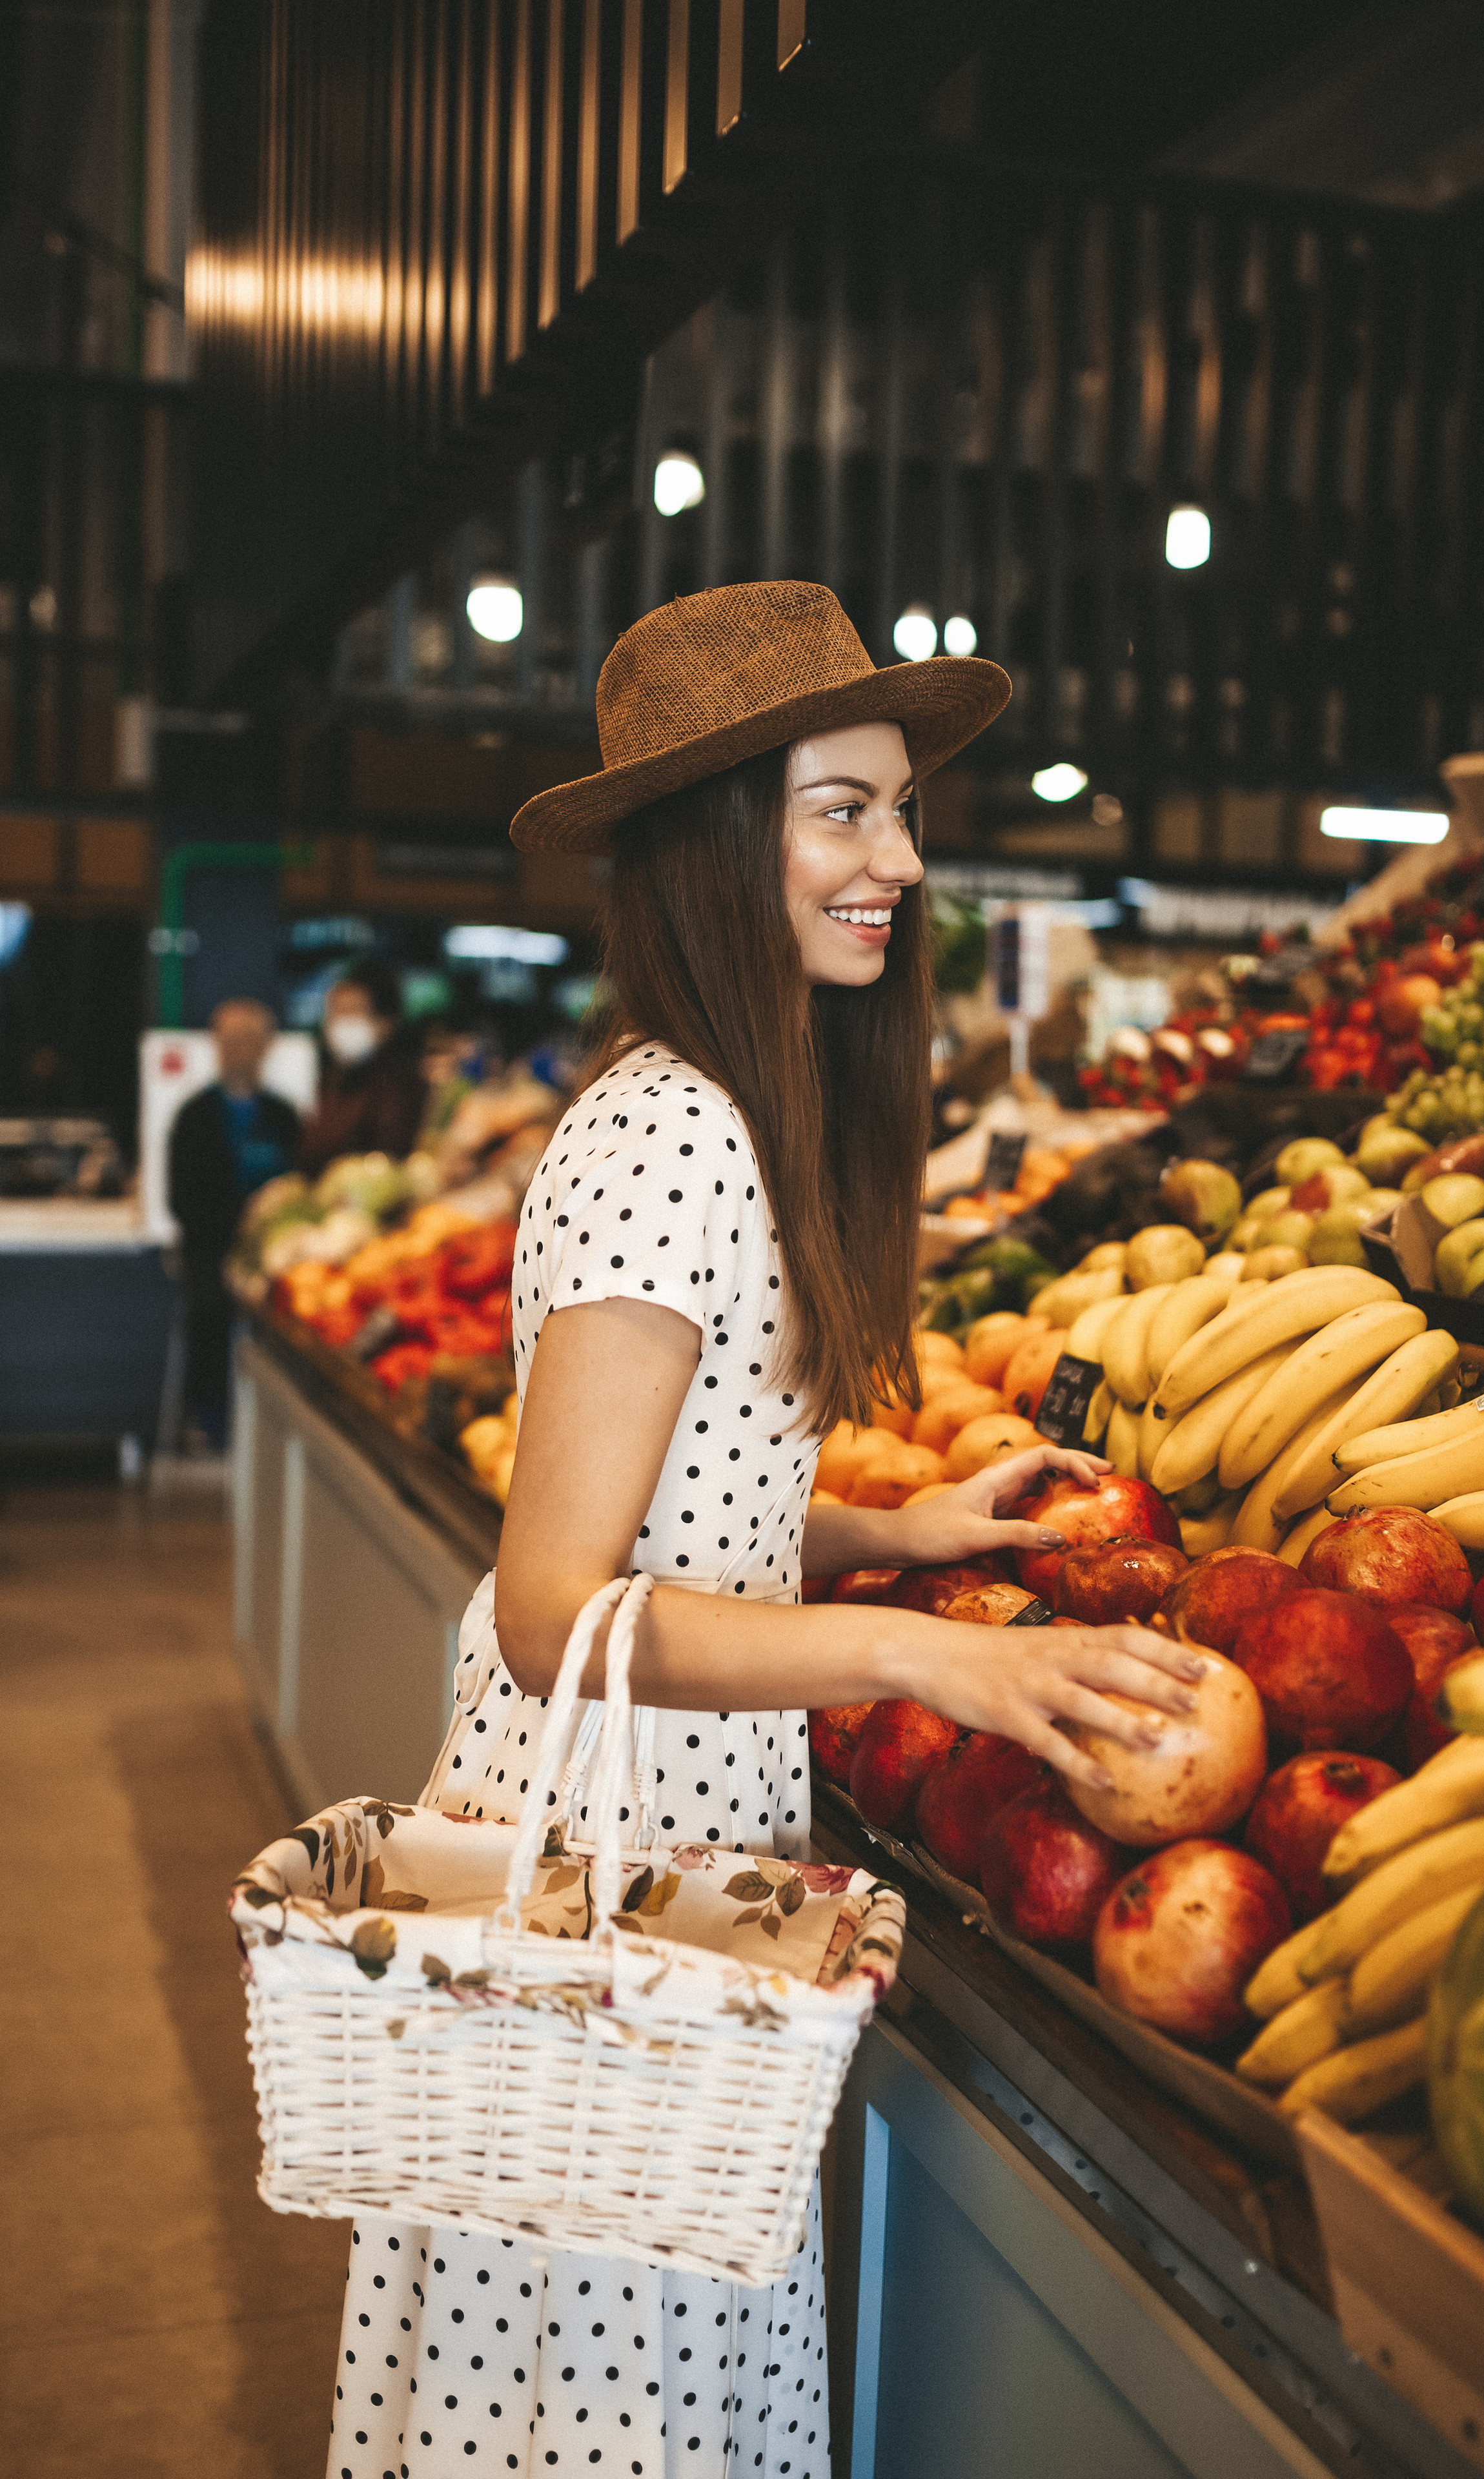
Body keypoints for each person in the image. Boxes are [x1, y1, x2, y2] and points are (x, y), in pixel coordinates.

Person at [326, 582, 1206, 2479]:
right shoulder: (670, 1136)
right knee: (600, 2416)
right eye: (843, 809)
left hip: (677, 1852)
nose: (901, 855)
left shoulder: (743, 1109)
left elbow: (691, 1513)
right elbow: (558, 1601)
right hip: (603, 1876)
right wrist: (921, 1645)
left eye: (897, 808)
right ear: (726, 841)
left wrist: (895, 1527)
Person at [167, 998, 299, 1446]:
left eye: (250, 1040)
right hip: (212, 1251)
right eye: (231, 1040)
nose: (240, 1050)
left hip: (277, 1254)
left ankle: (277, 1428)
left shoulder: (285, 1117)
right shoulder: (194, 1117)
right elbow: (180, 1197)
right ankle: (211, 1422)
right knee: (209, 1309)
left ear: (267, 1047)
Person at [298, 955, 427, 1173]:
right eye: (335, 1012)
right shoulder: (325, 1078)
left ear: (385, 1023)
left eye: (352, 1013)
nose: (341, 1023)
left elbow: (391, 1157)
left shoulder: (399, 1085)